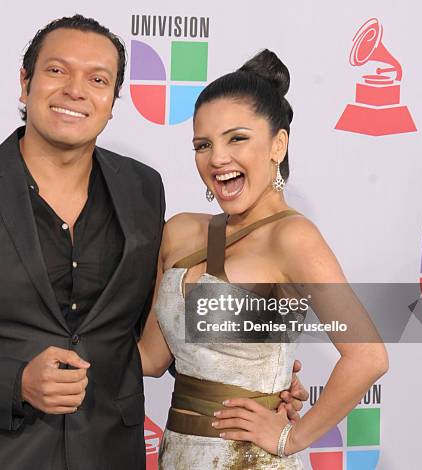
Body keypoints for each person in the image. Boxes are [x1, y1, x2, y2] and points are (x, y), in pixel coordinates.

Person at [0, 14, 306, 470]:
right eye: (57, 71)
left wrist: (248, 378)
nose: (75, 90)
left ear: (113, 100)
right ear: (25, 83)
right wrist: (14, 381)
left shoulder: (142, 189)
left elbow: (150, 330)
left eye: (98, 78)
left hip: (110, 454)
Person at [137, 49, 389, 468]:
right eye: (203, 144)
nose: (217, 158)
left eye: (237, 138)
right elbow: (150, 357)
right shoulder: (179, 231)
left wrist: (292, 436)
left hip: (250, 460)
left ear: (278, 144)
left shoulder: (293, 237)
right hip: (177, 454)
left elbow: (368, 356)